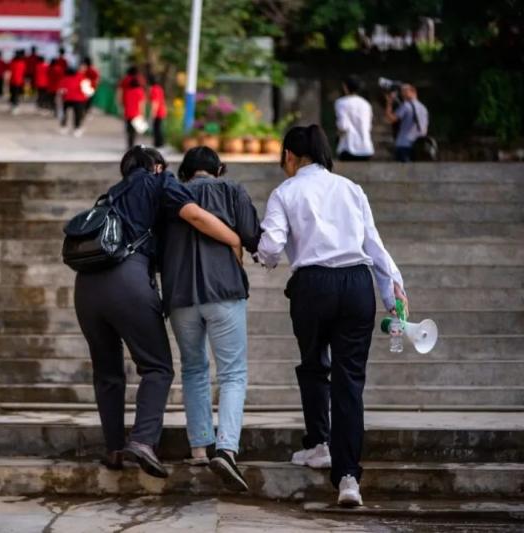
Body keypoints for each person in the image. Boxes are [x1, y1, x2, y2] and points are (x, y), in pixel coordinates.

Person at [256, 125, 408, 507]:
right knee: (349, 381)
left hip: (312, 286)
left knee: (313, 365)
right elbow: (373, 244)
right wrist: (392, 294)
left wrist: (266, 258)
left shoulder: (285, 192)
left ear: (289, 155)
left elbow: (271, 245)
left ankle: (319, 443)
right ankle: (347, 478)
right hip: (357, 284)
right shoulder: (350, 189)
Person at [74, 146, 243, 479]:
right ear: (157, 166)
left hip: (86, 289)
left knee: (108, 372)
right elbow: (194, 215)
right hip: (128, 281)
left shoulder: (110, 196)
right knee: (157, 367)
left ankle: (114, 449)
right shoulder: (159, 181)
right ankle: (143, 441)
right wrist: (234, 239)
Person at [160, 147, 261, 492]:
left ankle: (200, 448)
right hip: (224, 291)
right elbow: (253, 237)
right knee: (232, 373)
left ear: (185, 172)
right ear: (219, 169)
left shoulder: (171, 194)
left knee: (193, 369)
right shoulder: (232, 190)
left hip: (179, 297)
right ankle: (227, 448)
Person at [384, 83, 429, 162]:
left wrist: (389, 102)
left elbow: (390, 119)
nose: (402, 94)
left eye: (405, 91)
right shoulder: (424, 108)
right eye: (402, 92)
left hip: (404, 143)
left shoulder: (406, 105)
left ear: (413, 91)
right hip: (418, 145)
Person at [334, 75, 374, 161]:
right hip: (366, 148)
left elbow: (343, 126)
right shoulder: (366, 104)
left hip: (348, 147)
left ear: (345, 87)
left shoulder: (341, 103)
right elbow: (369, 127)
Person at [58, 66, 89, 137]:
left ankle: (63, 127)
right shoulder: (81, 77)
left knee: (64, 113)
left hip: (67, 99)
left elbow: (61, 91)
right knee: (78, 115)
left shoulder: (65, 79)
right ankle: (77, 129)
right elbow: (86, 89)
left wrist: (60, 98)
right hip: (79, 100)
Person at [122, 75, 146, 149]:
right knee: (136, 131)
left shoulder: (127, 91)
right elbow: (141, 104)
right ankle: (134, 146)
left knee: (129, 131)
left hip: (128, 114)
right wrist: (142, 113)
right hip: (136, 114)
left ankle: (129, 145)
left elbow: (125, 103)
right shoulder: (140, 91)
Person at [148, 75, 167, 148]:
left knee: (157, 128)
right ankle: (160, 142)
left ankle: (158, 143)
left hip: (158, 112)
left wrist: (153, 113)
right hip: (162, 110)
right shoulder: (159, 88)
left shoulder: (154, 89)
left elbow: (155, 102)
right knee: (159, 127)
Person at [8, 50, 27, 114]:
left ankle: (13, 106)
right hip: (18, 81)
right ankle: (15, 107)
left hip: (13, 81)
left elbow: (10, 70)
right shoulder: (22, 63)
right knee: (16, 95)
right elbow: (24, 72)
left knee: (13, 94)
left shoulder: (12, 62)